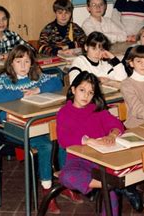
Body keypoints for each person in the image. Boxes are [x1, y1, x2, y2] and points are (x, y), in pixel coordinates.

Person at [0, 44, 65, 213]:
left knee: (65, 136)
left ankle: (67, 182)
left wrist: (38, 88)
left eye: (27, 61)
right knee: (46, 145)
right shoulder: (5, 79)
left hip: (35, 122)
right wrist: (21, 93)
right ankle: (47, 190)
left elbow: (57, 81)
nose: (23, 66)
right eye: (18, 61)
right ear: (11, 63)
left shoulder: (35, 76)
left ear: (32, 63)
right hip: (13, 127)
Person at [57, 72, 125, 215]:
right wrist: (86, 140)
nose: (86, 96)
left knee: (110, 196)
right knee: (66, 176)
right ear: (73, 89)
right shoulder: (64, 112)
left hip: (101, 159)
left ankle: (108, 185)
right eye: (82, 90)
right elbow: (63, 139)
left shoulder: (96, 109)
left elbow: (116, 124)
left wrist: (112, 135)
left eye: (90, 93)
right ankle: (106, 185)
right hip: (78, 160)